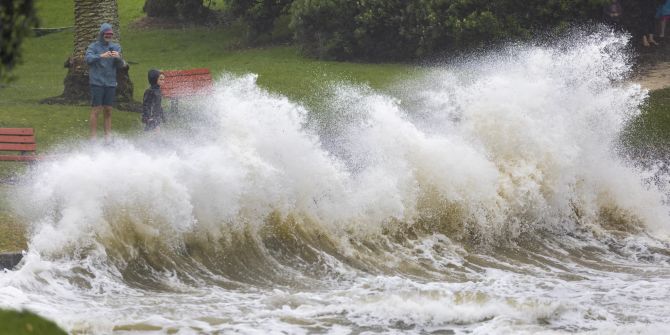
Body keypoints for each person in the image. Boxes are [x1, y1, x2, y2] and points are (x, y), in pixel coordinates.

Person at [85, 23, 125, 142]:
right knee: (96, 109)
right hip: (97, 82)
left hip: (110, 83)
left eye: (110, 35)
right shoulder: (93, 46)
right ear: (101, 34)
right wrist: (101, 56)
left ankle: (108, 137)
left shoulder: (116, 47)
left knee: (108, 109)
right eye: (106, 34)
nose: (109, 36)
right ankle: (93, 138)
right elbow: (88, 59)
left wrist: (118, 57)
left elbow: (121, 65)